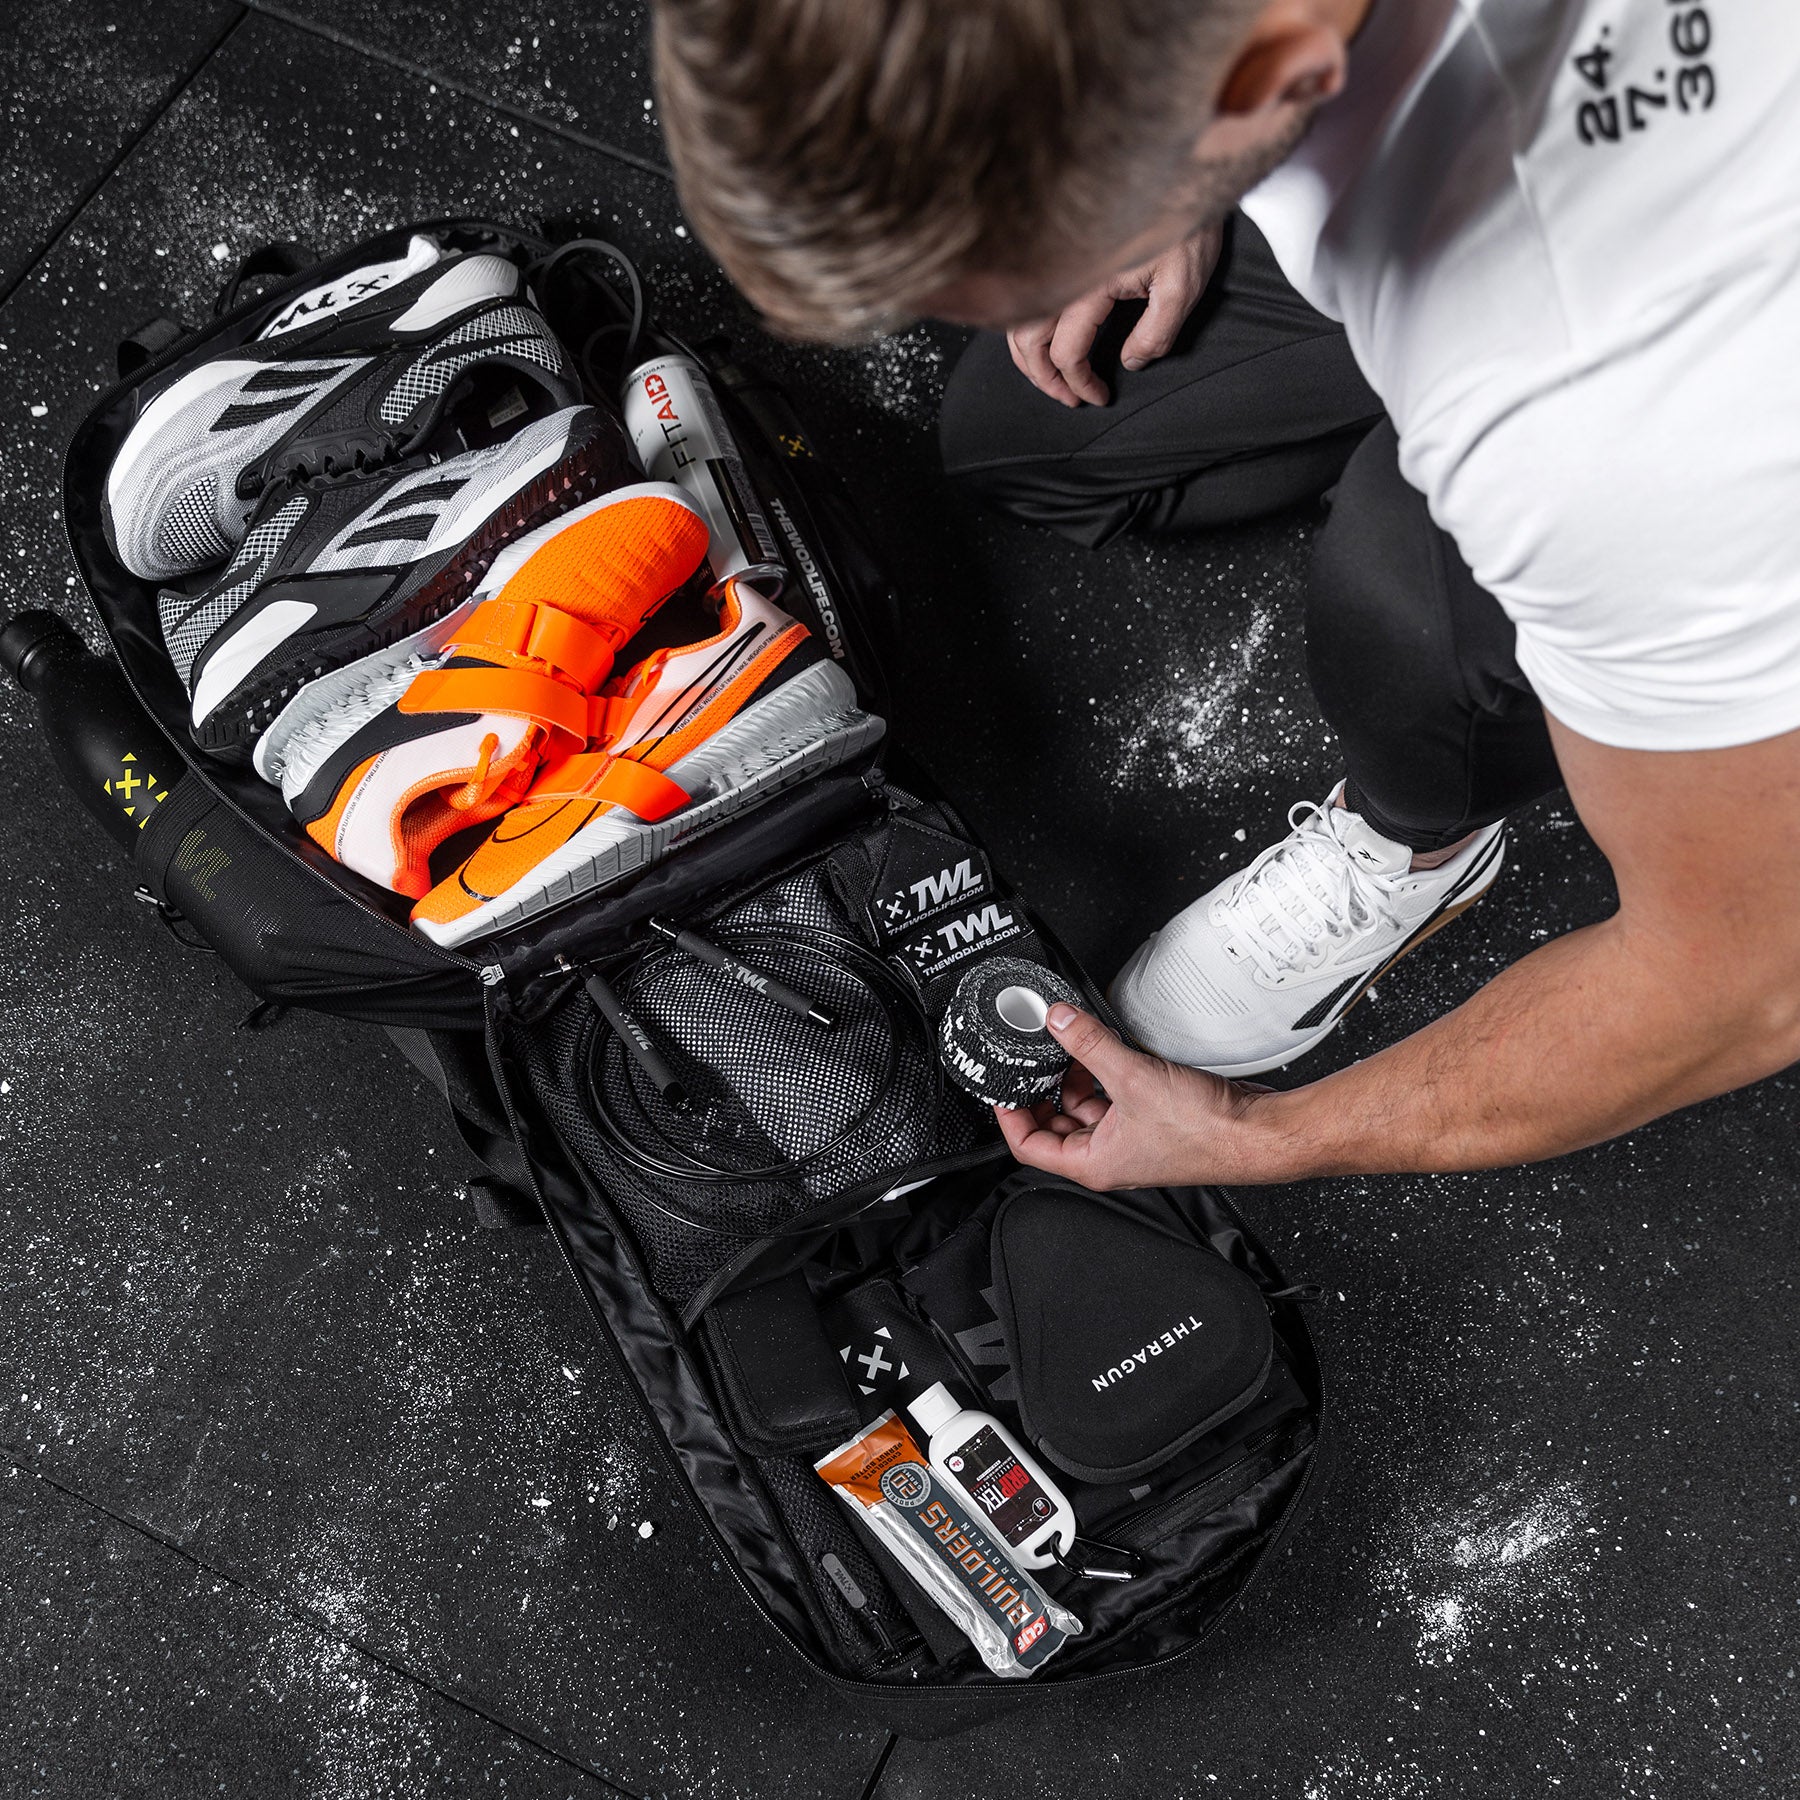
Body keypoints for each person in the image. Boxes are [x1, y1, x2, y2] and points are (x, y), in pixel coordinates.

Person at [650, 0, 1800, 1188]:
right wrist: (1189, 173)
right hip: (1426, 152)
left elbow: (1742, 983)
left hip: (1665, 342)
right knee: (1028, 426)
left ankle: (1419, 841)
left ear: (1275, 74)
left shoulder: (1590, 428)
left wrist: (1262, 1137)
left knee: (1404, 593)